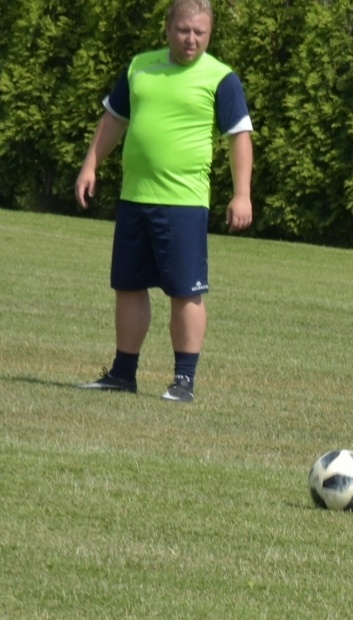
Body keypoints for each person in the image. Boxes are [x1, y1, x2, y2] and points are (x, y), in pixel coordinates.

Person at [74, 0, 252, 403]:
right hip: (135, 197)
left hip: (184, 203)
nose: (192, 40)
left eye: (200, 33)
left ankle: (183, 381)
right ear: (168, 28)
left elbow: (240, 136)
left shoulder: (221, 78)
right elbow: (114, 119)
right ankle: (123, 374)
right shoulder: (140, 67)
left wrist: (241, 195)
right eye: (184, 30)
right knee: (129, 286)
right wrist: (90, 165)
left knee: (184, 292)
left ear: (210, 33)